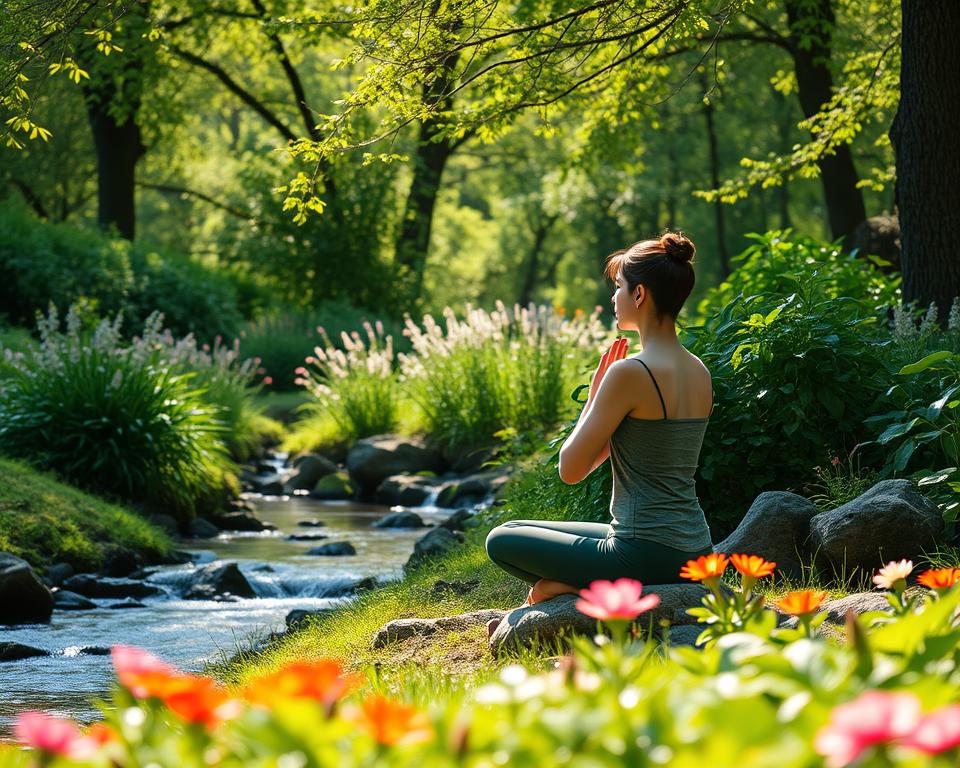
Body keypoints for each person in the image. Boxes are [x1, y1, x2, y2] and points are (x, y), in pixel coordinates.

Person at [484, 231, 716, 636]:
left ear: (639, 294)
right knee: (523, 529)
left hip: (643, 553)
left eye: (619, 287)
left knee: (501, 539)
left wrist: (594, 398)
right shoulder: (698, 370)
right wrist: (604, 408)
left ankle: (573, 586)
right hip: (693, 548)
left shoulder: (629, 373)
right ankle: (580, 582)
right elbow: (629, 451)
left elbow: (570, 469)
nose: (614, 297)